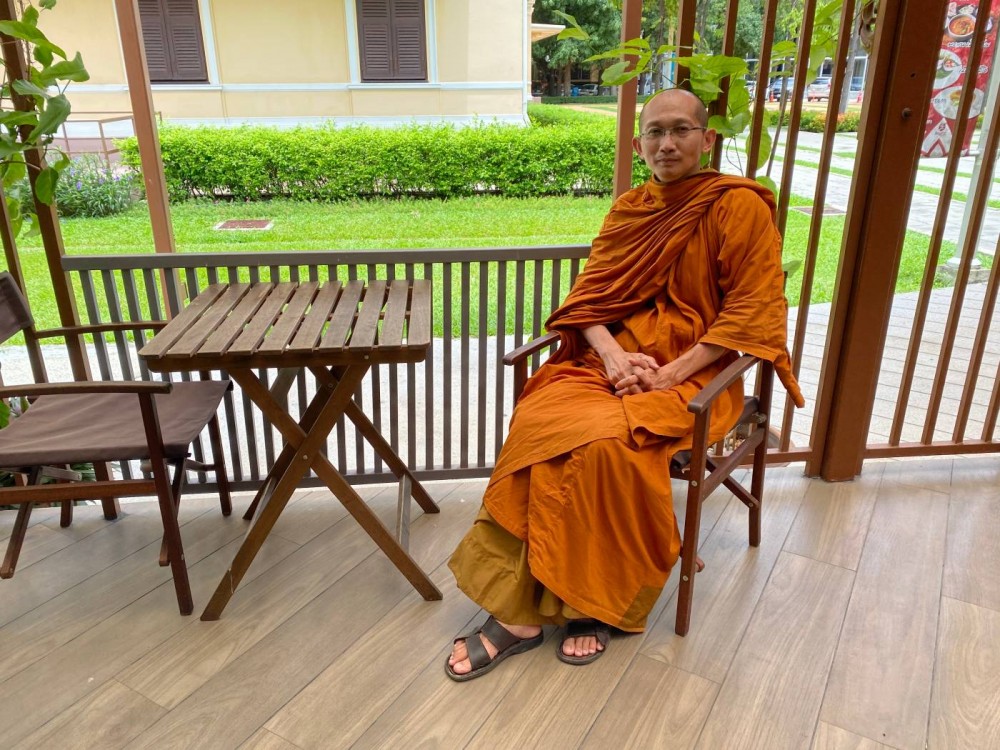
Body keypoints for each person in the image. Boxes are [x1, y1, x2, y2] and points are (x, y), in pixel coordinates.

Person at [444, 88, 804, 681]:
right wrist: (612, 357)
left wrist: (669, 371)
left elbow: (750, 313)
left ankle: (579, 603)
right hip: (606, 365)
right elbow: (587, 302)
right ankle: (533, 611)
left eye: (681, 130)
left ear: (706, 138)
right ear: (638, 144)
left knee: (608, 445)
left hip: (698, 373)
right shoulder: (630, 209)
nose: (667, 143)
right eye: (654, 132)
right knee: (540, 422)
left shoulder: (739, 209)